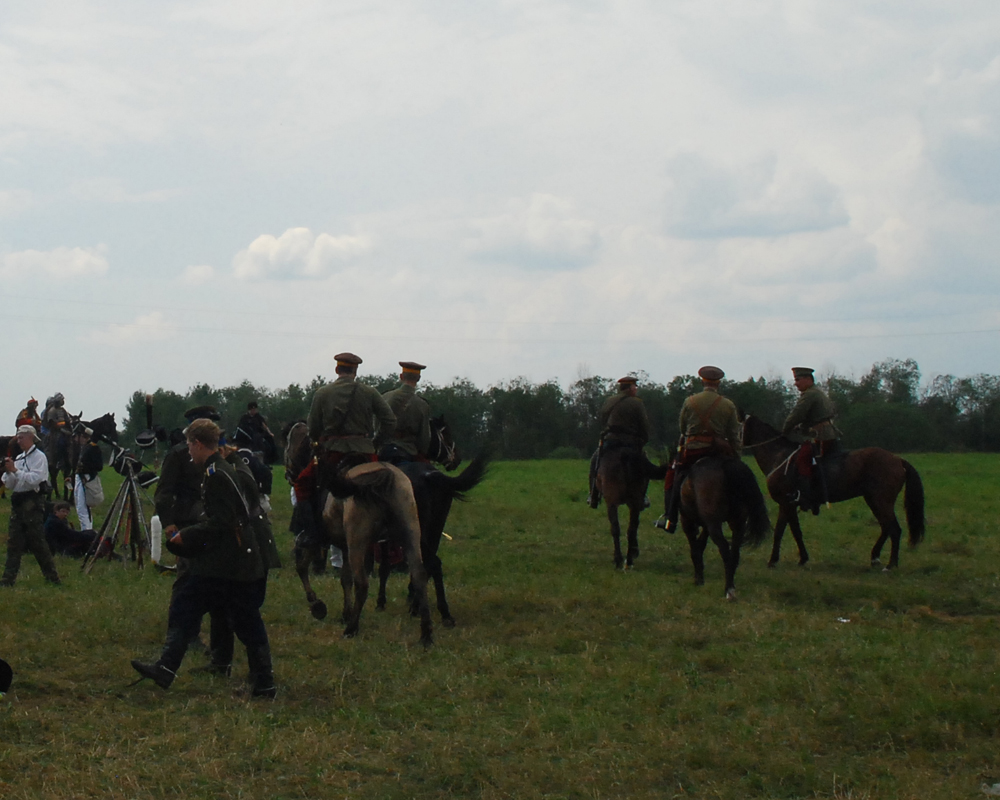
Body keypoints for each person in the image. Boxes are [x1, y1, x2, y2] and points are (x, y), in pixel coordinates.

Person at [131, 419, 280, 697]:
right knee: (187, 606)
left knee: (244, 621)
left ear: (198, 444)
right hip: (222, 561)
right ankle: (166, 667)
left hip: (232, 563)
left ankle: (264, 683)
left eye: (190, 445)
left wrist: (187, 536)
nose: (188, 451)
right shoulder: (218, 469)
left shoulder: (217, 475)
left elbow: (223, 522)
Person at [656, 366, 741, 532]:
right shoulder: (728, 405)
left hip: (693, 450)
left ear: (702, 381)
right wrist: (737, 457)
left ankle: (670, 519)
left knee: (673, 476)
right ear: (718, 383)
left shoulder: (690, 401)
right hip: (719, 451)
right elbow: (733, 435)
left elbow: (682, 428)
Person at [307, 352, 396, 485]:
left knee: (303, 484)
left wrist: (316, 442)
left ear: (337, 369)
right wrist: (375, 443)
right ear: (355, 371)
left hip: (333, 451)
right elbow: (390, 421)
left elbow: (313, 426)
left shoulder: (322, 393)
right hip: (365, 451)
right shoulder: (370, 392)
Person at [1, 426, 61, 587]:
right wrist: (9, 472)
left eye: (21, 438)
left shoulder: (39, 457)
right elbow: (11, 484)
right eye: (18, 438)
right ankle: (8, 579)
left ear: (31, 437)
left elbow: (35, 479)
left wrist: (15, 471)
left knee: (37, 541)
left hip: (33, 502)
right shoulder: (20, 458)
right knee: (14, 542)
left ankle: (52, 577)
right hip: (19, 501)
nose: (18, 441)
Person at [782, 367, 840, 513]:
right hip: (827, 433)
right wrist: (802, 427)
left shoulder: (810, 394)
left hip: (822, 436)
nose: (796, 383)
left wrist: (784, 431)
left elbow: (796, 415)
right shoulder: (817, 392)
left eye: (798, 380)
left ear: (808, 379)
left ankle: (805, 497)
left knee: (802, 459)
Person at [587, 376, 651, 509]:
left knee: (595, 461)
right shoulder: (637, 403)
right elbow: (643, 424)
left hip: (611, 441)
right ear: (629, 388)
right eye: (634, 386)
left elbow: (603, 419)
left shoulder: (610, 401)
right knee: (644, 465)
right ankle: (642, 495)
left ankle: (593, 495)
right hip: (630, 443)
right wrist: (644, 439)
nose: (636, 389)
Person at [377, 361, 432, 464]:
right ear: (418, 378)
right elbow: (424, 438)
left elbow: (375, 425)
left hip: (383, 450)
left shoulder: (385, 397)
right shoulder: (422, 405)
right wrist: (422, 453)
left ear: (401, 376)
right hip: (407, 451)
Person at [73, 427, 104, 531]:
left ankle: (86, 530)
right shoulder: (86, 447)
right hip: (80, 477)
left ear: (83, 436)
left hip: (86, 478)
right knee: (80, 507)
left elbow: (99, 466)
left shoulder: (93, 448)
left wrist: (85, 469)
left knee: (82, 508)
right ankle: (86, 529)